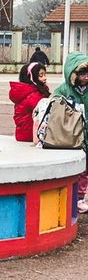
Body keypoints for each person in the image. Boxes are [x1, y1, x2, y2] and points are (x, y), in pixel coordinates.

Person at [54, 52, 88, 212]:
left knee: (85, 170)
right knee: (71, 168)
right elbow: (54, 104)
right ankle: (67, 198)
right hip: (70, 135)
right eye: (82, 73)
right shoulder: (64, 89)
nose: (85, 76)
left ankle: (80, 198)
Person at [10, 61, 50, 143]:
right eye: (41, 76)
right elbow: (44, 112)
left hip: (23, 133)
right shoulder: (34, 95)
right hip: (31, 134)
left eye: (45, 75)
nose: (45, 78)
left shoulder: (28, 92)